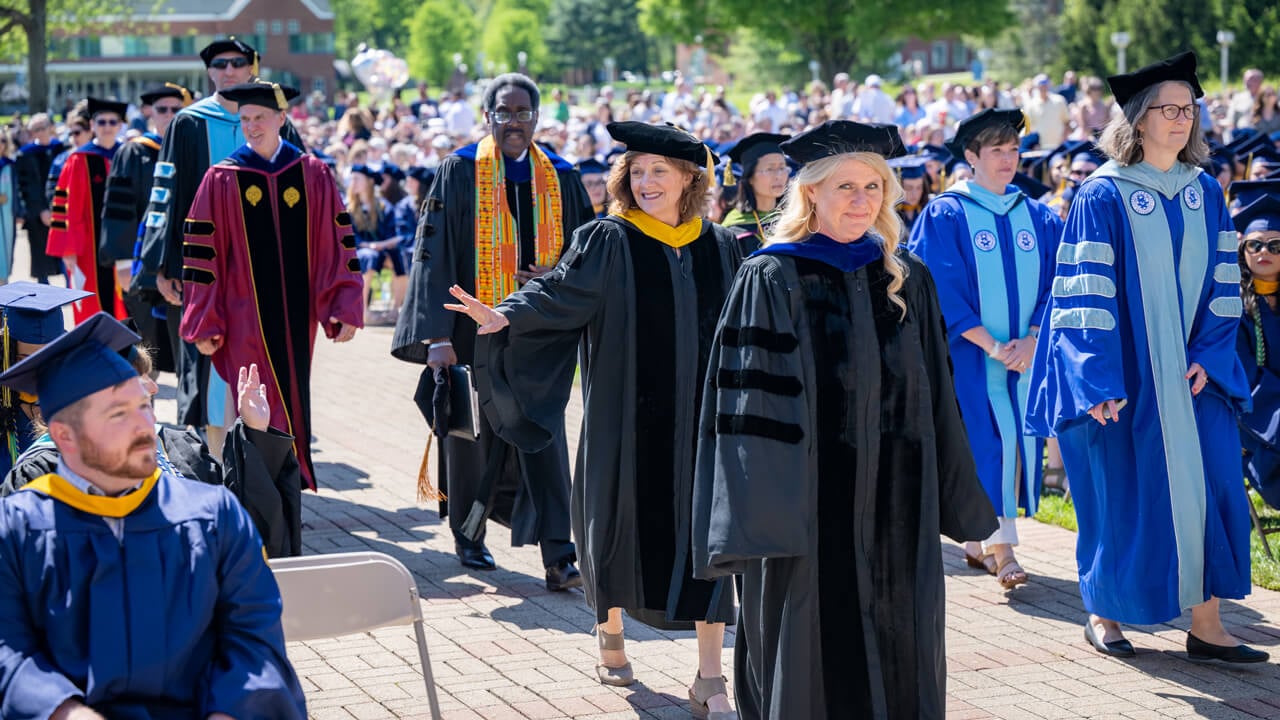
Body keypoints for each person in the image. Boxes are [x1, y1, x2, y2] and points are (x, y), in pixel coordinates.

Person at [691, 120, 997, 719]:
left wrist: (950, 491)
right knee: (812, 645)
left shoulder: (906, 276)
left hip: (898, 500)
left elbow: (938, 396)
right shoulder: (772, 275)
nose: (862, 201)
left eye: (873, 187)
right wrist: (762, 517)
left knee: (902, 635)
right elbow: (749, 412)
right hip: (805, 506)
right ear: (811, 192)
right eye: (846, 187)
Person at [445, 121, 741, 717]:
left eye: (660, 170)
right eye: (638, 171)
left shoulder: (720, 247)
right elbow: (560, 293)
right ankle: (610, 629)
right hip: (624, 418)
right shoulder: (609, 239)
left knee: (707, 537)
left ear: (690, 178)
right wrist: (505, 315)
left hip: (701, 422)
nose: (647, 181)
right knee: (614, 521)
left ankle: (710, 676)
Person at [1026, 51, 1267, 663]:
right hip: (1127, 378)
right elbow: (1083, 295)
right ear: (1137, 118)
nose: (1182, 119)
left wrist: (1209, 354)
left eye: (1189, 109)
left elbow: (1224, 286)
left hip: (1193, 377)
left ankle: (1207, 625)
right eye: (1169, 109)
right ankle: (1103, 614)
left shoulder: (1204, 191)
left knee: (1212, 488)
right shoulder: (1103, 194)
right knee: (1122, 494)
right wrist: (1097, 380)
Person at [0, 313, 307, 718]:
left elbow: (256, 641)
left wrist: (231, 711)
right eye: (118, 414)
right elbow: (7, 650)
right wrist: (62, 710)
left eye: (144, 406)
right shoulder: (19, 530)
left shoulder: (214, 518)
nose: (144, 426)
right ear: (64, 437)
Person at [391, 73, 592, 585]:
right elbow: (432, 253)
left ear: (537, 118)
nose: (514, 122)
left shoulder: (562, 176)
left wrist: (554, 274)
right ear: (488, 117)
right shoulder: (459, 171)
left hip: (537, 335)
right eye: (504, 112)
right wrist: (437, 337)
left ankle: (559, 553)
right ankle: (470, 535)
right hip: (468, 333)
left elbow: (584, 255)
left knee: (545, 436)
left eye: (523, 113)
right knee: (472, 440)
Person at [180, 80, 364, 491]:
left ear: (282, 118)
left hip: (298, 317)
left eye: (260, 117)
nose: (251, 126)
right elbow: (202, 255)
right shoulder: (222, 178)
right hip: (241, 314)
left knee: (292, 391)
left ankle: (287, 483)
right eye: (245, 119)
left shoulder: (311, 173)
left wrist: (343, 304)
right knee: (253, 394)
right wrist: (205, 320)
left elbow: (336, 243)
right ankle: (256, 484)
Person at [908, 108, 1063, 589]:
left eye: (1014, 149)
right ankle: (1004, 550)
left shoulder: (1038, 215)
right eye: (997, 150)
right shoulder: (947, 213)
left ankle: (979, 544)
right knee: (989, 443)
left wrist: (1032, 338)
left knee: (1016, 445)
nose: (1008, 159)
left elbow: (1058, 282)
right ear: (971, 156)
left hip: (1026, 358)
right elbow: (941, 289)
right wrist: (994, 347)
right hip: (973, 360)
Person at [139, 36, 302, 457]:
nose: (229, 70)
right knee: (211, 367)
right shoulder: (189, 123)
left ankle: (268, 457)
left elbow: (304, 192)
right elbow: (165, 195)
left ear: (251, 67)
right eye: (220, 64)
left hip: (268, 270)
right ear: (209, 72)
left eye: (237, 62)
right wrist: (162, 265)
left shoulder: (278, 122)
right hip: (206, 269)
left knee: (271, 359)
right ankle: (217, 459)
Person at [3, 344, 304, 558]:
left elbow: (244, 526)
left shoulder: (175, 444)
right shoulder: (40, 474)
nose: (154, 387)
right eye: (137, 381)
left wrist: (255, 432)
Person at [102, 83, 191, 375]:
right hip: (143, 266)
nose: (169, 114)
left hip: (182, 264)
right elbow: (119, 210)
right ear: (150, 112)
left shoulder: (191, 151)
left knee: (186, 344)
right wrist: (123, 261)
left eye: (176, 109)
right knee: (146, 345)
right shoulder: (134, 152)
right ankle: (145, 397)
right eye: (162, 109)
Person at [47, 97, 128, 323]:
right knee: (93, 301)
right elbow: (68, 206)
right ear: (92, 125)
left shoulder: (129, 154)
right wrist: (69, 248)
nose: (107, 127)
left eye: (113, 122)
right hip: (88, 246)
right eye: (101, 122)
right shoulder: (79, 159)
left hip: (126, 243)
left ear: (120, 125)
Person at [0, 283, 91, 479]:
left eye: (46, 356)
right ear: (7, 354)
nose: (37, 368)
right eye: (24, 359)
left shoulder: (79, 397)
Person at [1236, 194, 1280, 511]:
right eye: (1255, 245)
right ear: (1243, 250)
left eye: (1275, 246)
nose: (1264, 252)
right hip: (1257, 413)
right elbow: (1243, 372)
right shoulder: (1230, 307)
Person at [14, 114, 64, 284]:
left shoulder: (61, 149)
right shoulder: (25, 155)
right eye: (36, 129)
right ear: (31, 133)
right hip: (37, 213)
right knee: (40, 255)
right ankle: (45, 292)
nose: (41, 132)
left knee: (65, 253)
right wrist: (41, 209)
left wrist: (55, 208)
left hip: (62, 209)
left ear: (51, 128)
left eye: (43, 127)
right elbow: (25, 187)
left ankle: (71, 291)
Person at [719, 133, 789, 254]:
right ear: (750, 177)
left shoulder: (793, 218)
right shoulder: (734, 228)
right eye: (770, 169)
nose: (779, 176)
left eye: (782, 168)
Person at [889, 155, 930, 233]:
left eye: (919, 187)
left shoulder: (929, 212)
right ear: (898, 188)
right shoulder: (889, 217)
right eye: (909, 188)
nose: (914, 193)